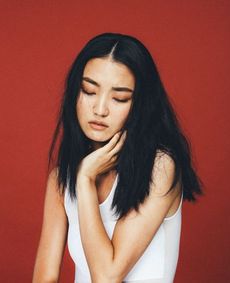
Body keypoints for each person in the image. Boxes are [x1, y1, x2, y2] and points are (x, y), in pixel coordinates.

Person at [32, 32, 203, 283]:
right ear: (74, 94)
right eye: (89, 91)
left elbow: (106, 277)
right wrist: (81, 177)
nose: (100, 109)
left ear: (140, 105)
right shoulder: (60, 180)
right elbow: (44, 277)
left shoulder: (160, 168)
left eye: (119, 98)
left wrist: (86, 180)